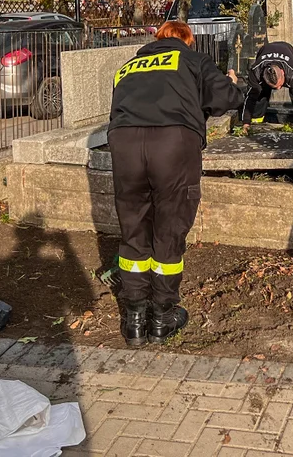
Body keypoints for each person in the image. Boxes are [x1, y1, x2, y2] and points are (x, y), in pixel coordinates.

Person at [108, 21, 243, 347]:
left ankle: (135, 318)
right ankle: (163, 314)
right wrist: (232, 83)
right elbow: (226, 99)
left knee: (133, 223)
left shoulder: (126, 68)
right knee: (169, 224)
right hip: (172, 142)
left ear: (157, 39)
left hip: (124, 142)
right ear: (187, 40)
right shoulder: (192, 61)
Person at [241, 41, 293, 131]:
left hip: (289, 50)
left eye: (280, 85)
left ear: (283, 72)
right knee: (260, 94)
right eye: (274, 87)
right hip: (265, 51)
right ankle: (256, 121)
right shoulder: (255, 72)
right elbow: (250, 97)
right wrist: (245, 123)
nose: (279, 89)